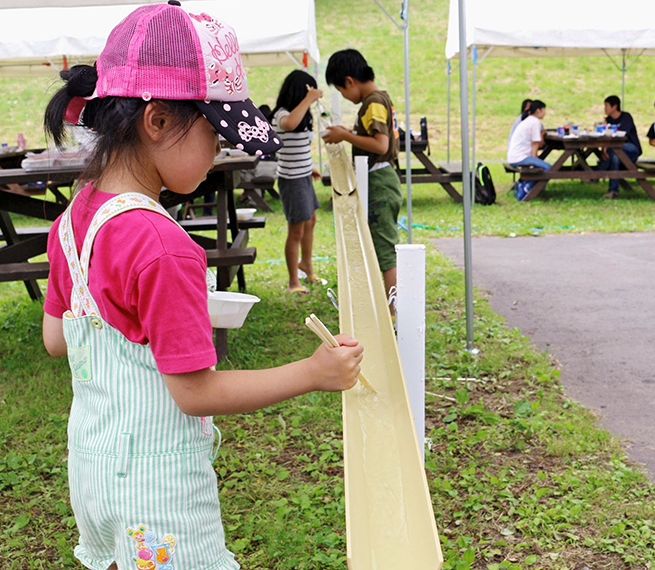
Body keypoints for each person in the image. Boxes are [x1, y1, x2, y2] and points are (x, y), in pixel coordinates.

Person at [40, 5, 364, 570]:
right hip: (158, 493)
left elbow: (58, 338)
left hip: (94, 475)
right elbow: (195, 392)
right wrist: (313, 374)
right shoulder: (163, 246)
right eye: (215, 133)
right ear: (158, 121)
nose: (219, 152)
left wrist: (149, 318)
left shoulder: (72, 223)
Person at [322, 48, 402, 301]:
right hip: (379, 180)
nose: (344, 96)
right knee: (381, 248)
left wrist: (345, 136)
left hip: (380, 181)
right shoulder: (377, 100)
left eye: (342, 90)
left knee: (386, 252)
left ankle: (394, 312)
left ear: (349, 81)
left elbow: (380, 145)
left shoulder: (373, 102)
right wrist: (349, 132)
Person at [271, 70, 324, 295]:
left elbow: (297, 146)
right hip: (291, 180)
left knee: (310, 220)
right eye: (308, 91)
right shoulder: (282, 114)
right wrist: (309, 99)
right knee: (296, 230)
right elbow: (290, 125)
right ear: (300, 92)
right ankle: (294, 281)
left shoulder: (301, 113)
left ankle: (306, 265)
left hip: (302, 175)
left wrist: (308, 167)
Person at [598, 95, 642, 199]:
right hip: (616, 151)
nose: (605, 108)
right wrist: (604, 148)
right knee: (615, 157)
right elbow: (605, 136)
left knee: (615, 150)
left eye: (607, 106)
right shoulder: (608, 120)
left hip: (631, 149)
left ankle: (597, 172)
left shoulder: (626, 117)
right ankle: (613, 191)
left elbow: (620, 136)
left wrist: (606, 148)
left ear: (614, 107)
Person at [507, 100, 551, 201]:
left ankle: (522, 184)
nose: (544, 113)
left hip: (513, 157)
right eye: (544, 110)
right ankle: (526, 187)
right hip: (520, 158)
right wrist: (535, 159)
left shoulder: (528, 120)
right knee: (548, 168)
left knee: (542, 166)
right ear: (538, 110)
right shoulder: (535, 122)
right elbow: (535, 143)